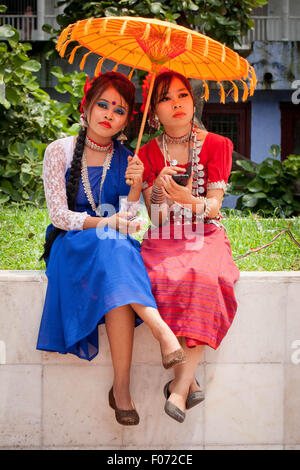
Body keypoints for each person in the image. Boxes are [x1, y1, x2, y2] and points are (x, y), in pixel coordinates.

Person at [36, 71, 186, 426]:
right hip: (71, 245)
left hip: (112, 246)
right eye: (102, 104)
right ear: (85, 107)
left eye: (118, 111)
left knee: (116, 259)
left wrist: (135, 189)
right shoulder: (58, 151)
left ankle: (121, 389)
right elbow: (59, 216)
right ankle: (161, 329)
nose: (109, 114)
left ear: (125, 121)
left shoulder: (129, 158)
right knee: (113, 246)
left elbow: (130, 220)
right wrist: (107, 224)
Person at [136, 70, 240, 423]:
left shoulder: (216, 145)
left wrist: (188, 199)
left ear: (193, 101)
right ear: (154, 113)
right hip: (165, 238)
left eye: (182, 95)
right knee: (160, 276)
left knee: (203, 276)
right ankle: (188, 381)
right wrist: (162, 191)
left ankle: (179, 389)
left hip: (206, 232)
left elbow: (214, 207)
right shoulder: (148, 153)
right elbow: (158, 221)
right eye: (165, 99)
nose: (176, 104)